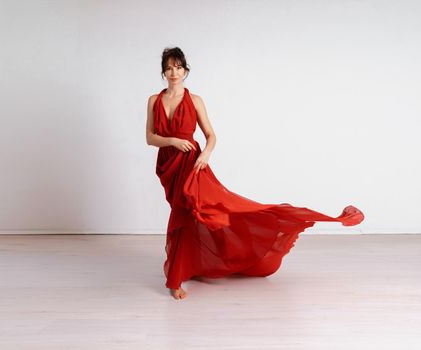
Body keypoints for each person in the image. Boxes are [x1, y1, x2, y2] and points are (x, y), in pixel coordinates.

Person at [145, 47, 364, 300]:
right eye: (169, 68)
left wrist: (205, 154)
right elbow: (150, 138)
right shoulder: (154, 100)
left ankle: (178, 277)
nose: (174, 72)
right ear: (164, 71)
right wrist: (172, 141)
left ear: (185, 71)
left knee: (195, 213)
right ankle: (198, 263)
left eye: (179, 67)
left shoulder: (195, 100)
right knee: (194, 215)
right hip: (168, 165)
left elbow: (211, 136)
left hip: (193, 166)